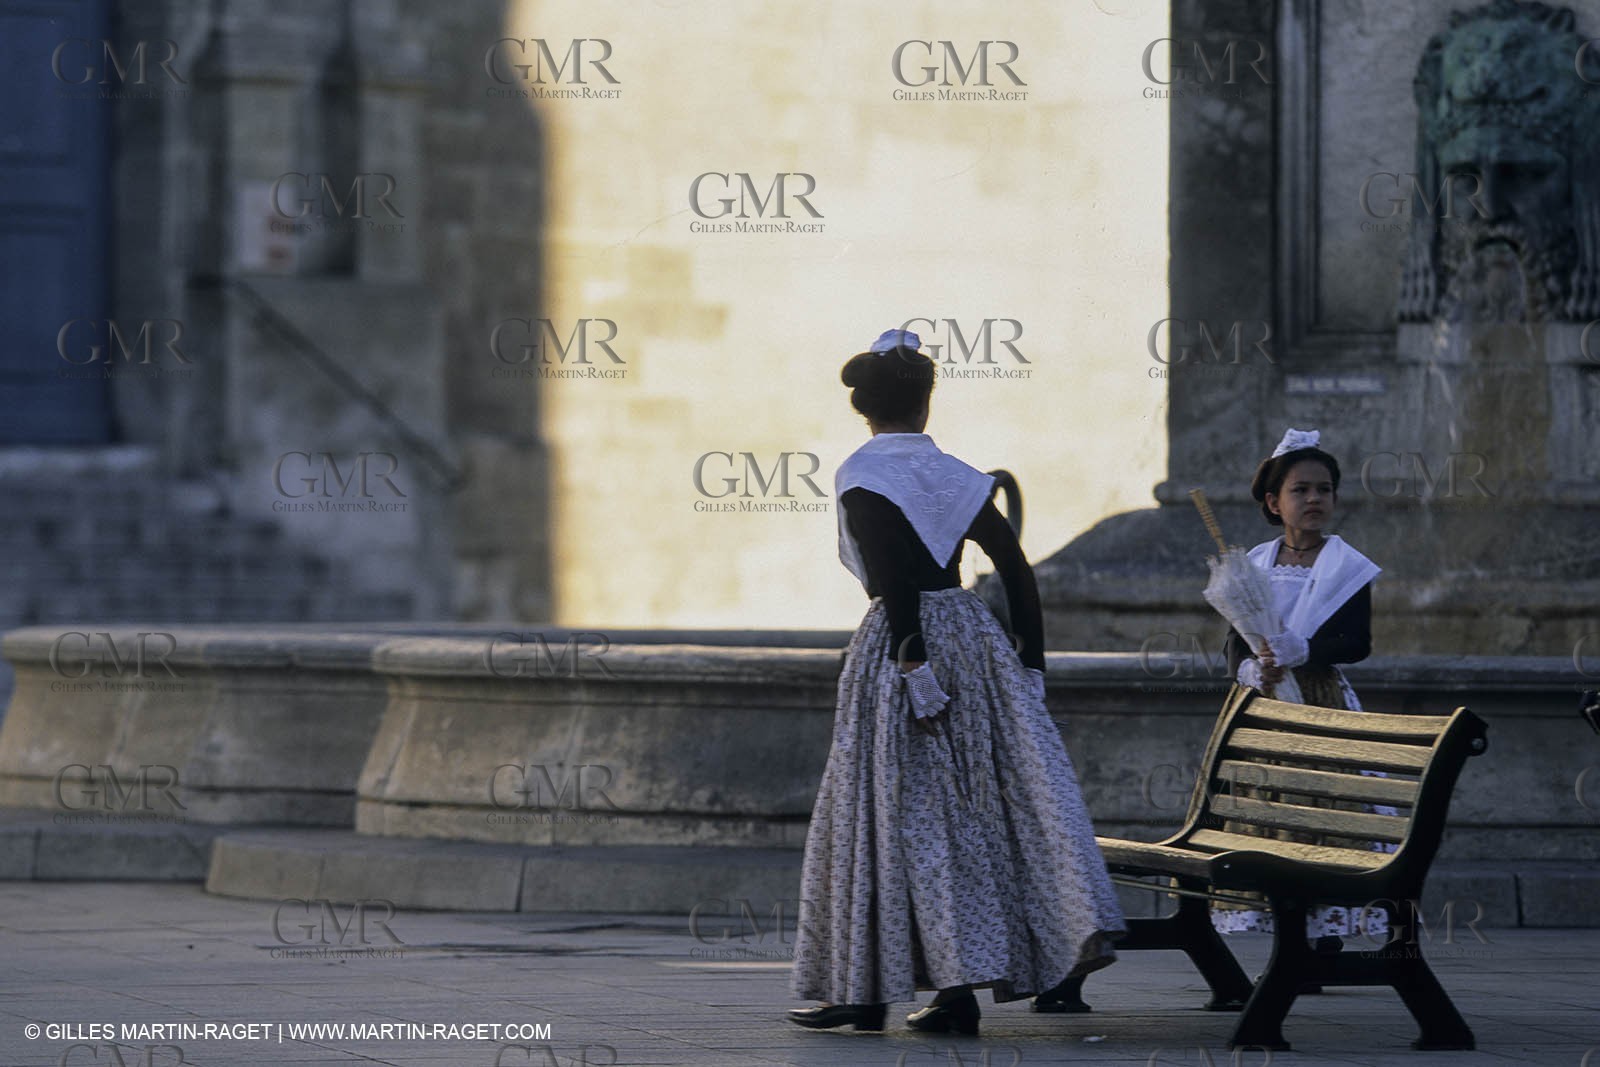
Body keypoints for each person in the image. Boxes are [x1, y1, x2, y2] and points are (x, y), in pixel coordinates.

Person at [787, 329, 1124, 1037]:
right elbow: (1015, 567)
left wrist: (913, 664)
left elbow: (890, 578)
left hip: (906, 650)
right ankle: (953, 987)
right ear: (925, 402)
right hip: (975, 641)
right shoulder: (960, 476)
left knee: (888, 815)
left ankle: (869, 986)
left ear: (867, 410)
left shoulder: (863, 474)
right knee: (970, 814)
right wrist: (1029, 661)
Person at [1211, 427, 1389, 944]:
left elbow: (1356, 641)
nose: (1314, 499)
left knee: (1327, 806)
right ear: (1273, 501)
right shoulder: (1254, 567)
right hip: (1265, 705)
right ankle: (1283, 921)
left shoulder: (1346, 566)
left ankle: (1326, 923)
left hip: (1319, 700)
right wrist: (1251, 670)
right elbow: (1234, 643)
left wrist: (1305, 649)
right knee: (1269, 806)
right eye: (1300, 490)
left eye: (1324, 489)